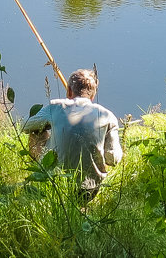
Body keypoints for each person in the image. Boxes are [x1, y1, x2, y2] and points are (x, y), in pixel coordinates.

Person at [22, 67, 124, 195]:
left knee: (35, 132)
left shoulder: (56, 107)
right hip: (89, 189)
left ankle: (41, 174)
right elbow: (113, 159)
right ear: (93, 95)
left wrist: (49, 125)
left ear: (69, 91)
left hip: (55, 183)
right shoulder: (107, 115)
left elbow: (25, 125)